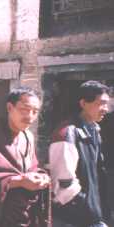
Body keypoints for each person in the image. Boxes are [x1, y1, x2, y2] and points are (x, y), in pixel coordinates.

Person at [0, 87, 50, 227]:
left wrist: (41, 176)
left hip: (24, 210)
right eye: (25, 109)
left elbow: (33, 167)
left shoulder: (28, 136)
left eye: (35, 112)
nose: (30, 116)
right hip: (0, 212)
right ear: (9, 107)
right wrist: (20, 181)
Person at [48, 81, 110, 227]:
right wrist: (89, 212)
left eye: (107, 104)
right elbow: (64, 186)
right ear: (83, 103)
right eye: (101, 103)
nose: (105, 109)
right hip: (74, 219)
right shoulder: (66, 134)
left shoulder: (94, 130)